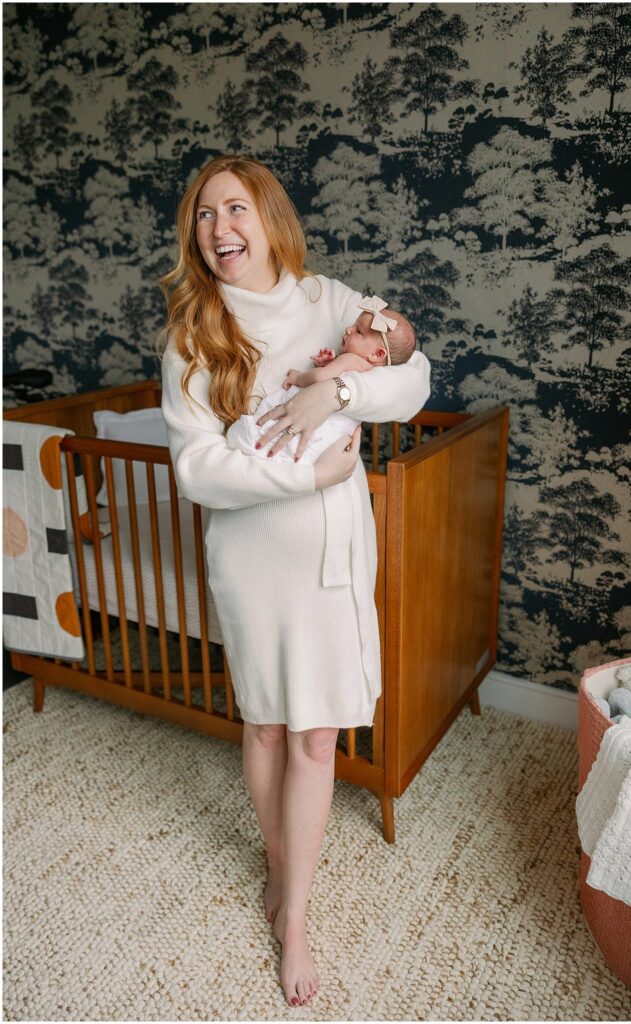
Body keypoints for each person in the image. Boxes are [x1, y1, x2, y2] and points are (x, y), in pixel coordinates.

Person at [157, 154, 431, 1009]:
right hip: (253, 554)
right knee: (271, 729)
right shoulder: (191, 334)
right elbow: (198, 471)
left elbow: (413, 377)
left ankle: (298, 917)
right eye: (204, 216)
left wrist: (337, 390)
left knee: (320, 738)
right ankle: (277, 865)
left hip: (332, 551)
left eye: (234, 208)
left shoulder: (329, 300)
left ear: (268, 216)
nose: (219, 228)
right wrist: (299, 478)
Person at [225, 298, 416, 466]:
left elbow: (319, 379)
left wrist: (298, 377)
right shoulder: (372, 374)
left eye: (358, 331)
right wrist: (330, 365)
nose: (348, 329)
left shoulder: (351, 359)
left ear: (378, 353)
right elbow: (340, 381)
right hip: (330, 443)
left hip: (315, 420)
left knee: (246, 433)